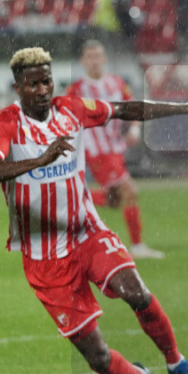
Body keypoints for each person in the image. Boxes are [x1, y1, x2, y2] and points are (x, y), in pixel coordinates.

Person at [0, 47, 188, 374]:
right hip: (44, 256)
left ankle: (176, 361)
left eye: (47, 81)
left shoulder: (72, 109)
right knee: (97, 357)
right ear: (18, 88)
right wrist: (40, 159)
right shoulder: (5, 123)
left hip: (87, 233)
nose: (43, 90)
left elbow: (126, 109)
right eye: (33, 84)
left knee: (136, 292)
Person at [67, 39, 164, 260]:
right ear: (83, 61)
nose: (94, 61)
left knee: (114, 200)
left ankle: (73, 200)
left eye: (97, 56)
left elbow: (133, 109)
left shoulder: (117, 83)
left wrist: (135, 130)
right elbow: (66, 119)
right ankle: (137, 246)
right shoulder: (76, 90)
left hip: (115, 148)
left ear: (104, 59)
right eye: (89, 57)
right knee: (130, 192)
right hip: (97, 151)